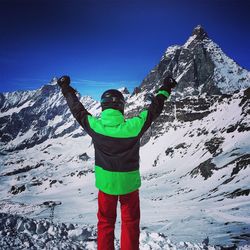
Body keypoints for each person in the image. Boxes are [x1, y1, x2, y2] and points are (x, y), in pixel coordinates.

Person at [57, 75, 177, 250]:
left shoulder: (96, 127)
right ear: (121, 107)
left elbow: (78, 110)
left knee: (105, 222)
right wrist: (166, 88)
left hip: (106, 185)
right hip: (129, 186)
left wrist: (66, 88)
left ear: (103, 106)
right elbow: (153, 110)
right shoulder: (134, 127)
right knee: (130, 223)